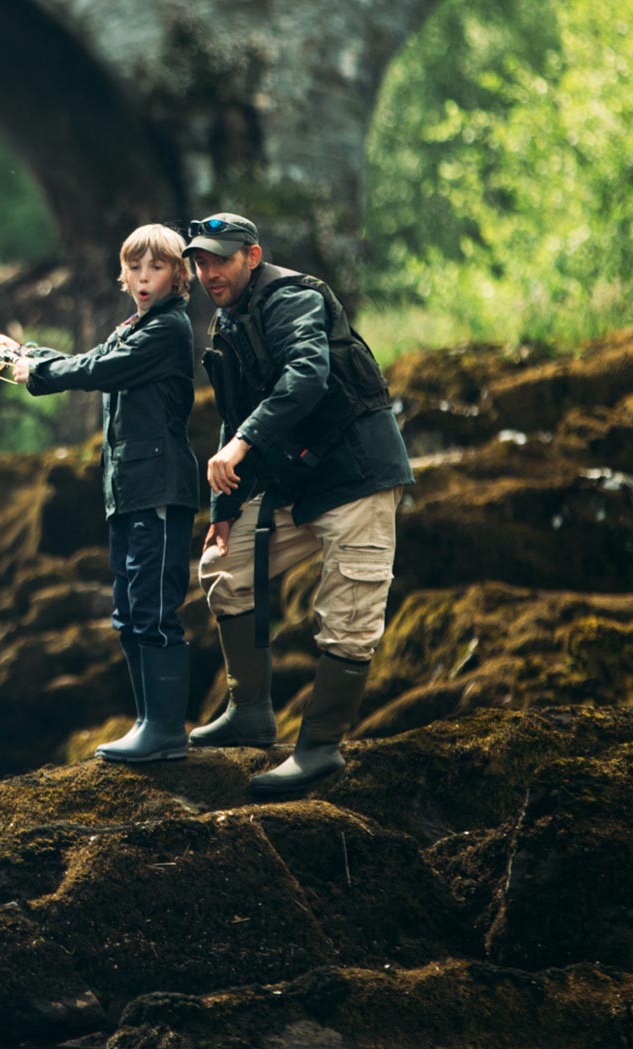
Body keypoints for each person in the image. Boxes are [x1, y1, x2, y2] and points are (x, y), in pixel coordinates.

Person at [181, 212, 414, 797]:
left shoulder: (293, 299)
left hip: (358, 476)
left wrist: (242, 443)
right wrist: (223, 511)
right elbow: (234, 418)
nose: (209, 272)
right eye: (200, 262)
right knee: (225, 567)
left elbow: (307, 374)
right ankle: (250, 715)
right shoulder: (228, 323)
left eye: (220, 259)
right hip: (299, 484)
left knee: (348, 615)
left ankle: (318, 749)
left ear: (252, 257)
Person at [0, 223, 202, 763]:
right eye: (135, 268)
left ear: (178, 276)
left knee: (153, 610)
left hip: (159, 489)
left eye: (157, 268)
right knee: (128, 611)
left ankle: (165, 732)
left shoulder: (168, 329)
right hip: (127, 490)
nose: (144, 278)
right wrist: (21, 351)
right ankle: (149, 723)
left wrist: (32, 371)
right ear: (123, 274)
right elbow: (89, 357)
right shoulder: (133, 327)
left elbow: (100, 369)